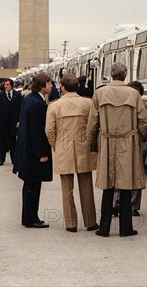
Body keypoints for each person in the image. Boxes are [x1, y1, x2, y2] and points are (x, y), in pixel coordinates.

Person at [87, 62, 147, 237]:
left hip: (107, 140)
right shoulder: (134, 93)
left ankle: (104, 227)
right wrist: (140, 137)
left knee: (108, 185)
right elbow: (144, 121)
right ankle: (126, 228)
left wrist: (91, 142)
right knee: (126, 184)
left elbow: (92, 121)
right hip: (128, 142)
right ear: (125, 74)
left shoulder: (99, 93)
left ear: (111, 75)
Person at [46, 74, 98, 233]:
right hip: (84, 147)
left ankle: (71, 224)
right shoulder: (88, 103)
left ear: (62, 87)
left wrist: (56, 146)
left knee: (66, 188)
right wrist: (89, 143)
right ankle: (90, 222)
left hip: (64, 147)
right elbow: (94, 126)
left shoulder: (54, 106)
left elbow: (49, 130)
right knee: (86, 186)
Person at [15, 73, 54, 228]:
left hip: (27, 151)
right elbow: (37, 131)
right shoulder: (37, 103)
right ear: (42, 85)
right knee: (33, 186)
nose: (51, 86)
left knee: (30, 186)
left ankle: (29, 217)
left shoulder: (30, 99)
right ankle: (32, 219)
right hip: (33, 154)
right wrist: (42, 154)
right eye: (49, 83)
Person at [113, 81, 147, 217]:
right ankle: (117, 204)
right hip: (124, 144)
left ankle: (133, 206)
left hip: (140, 145)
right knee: (120, 174)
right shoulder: (123, 107)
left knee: (137, 175)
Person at [0, 79, 23, 166]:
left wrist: (19, 121)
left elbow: (21, 109)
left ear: (12, 85)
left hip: (13, 123)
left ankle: (14, 159)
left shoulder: (17, 95)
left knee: (13, 142)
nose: (6, 86)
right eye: (5, 84)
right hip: (2, 123)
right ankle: (1, 160)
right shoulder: (0, 96)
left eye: (8, 84)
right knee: (2, 142)